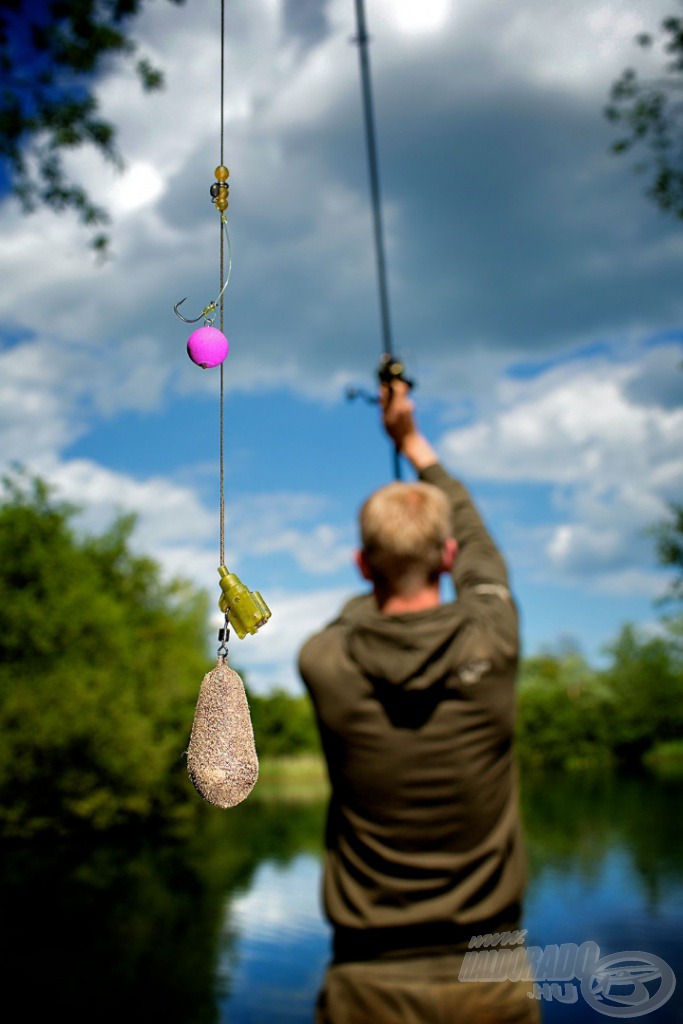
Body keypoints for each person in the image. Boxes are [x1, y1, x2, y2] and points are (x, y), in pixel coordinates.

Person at [298, 382, 539, 1024]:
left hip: (367, 976)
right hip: (492, 970)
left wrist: (375, 586)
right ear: (449, 558)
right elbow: (481, 551)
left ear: (361, 565)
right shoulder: (497, 635)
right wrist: (412, 442)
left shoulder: (324, 660)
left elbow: (350, 621)